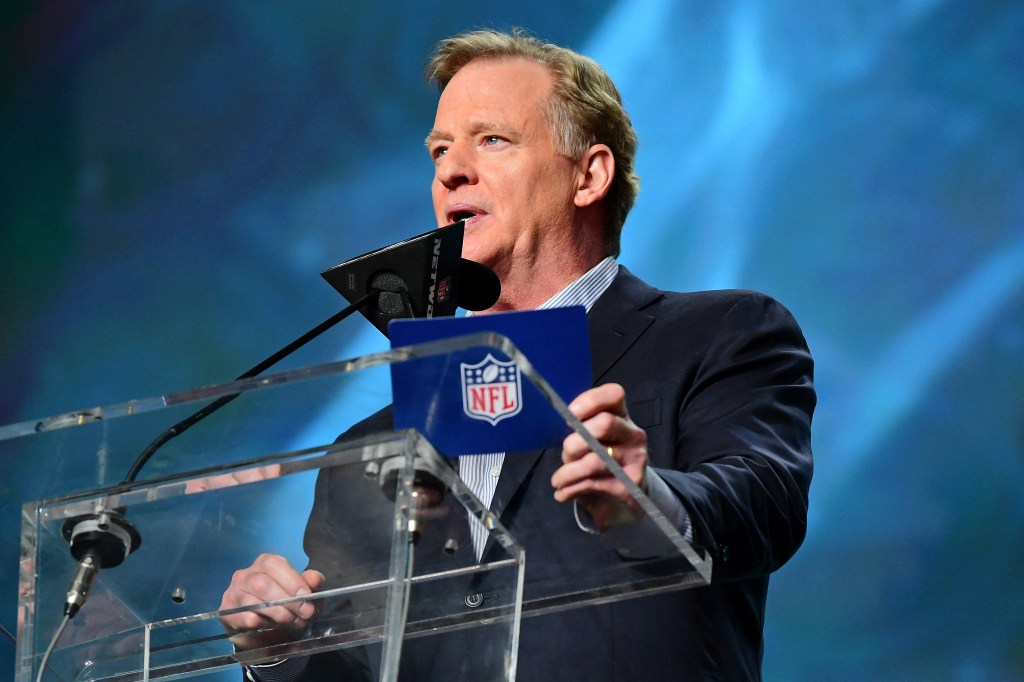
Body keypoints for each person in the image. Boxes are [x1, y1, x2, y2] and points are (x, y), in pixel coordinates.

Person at [219, 28, 815, 681]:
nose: (450, 169)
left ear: (588, 175)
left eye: (492, 139)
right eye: (440, 149)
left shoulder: (721, 333)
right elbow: (354, 667)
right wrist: (276, 652)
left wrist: (643, 499)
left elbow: (762, 506)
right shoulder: (368, 451)